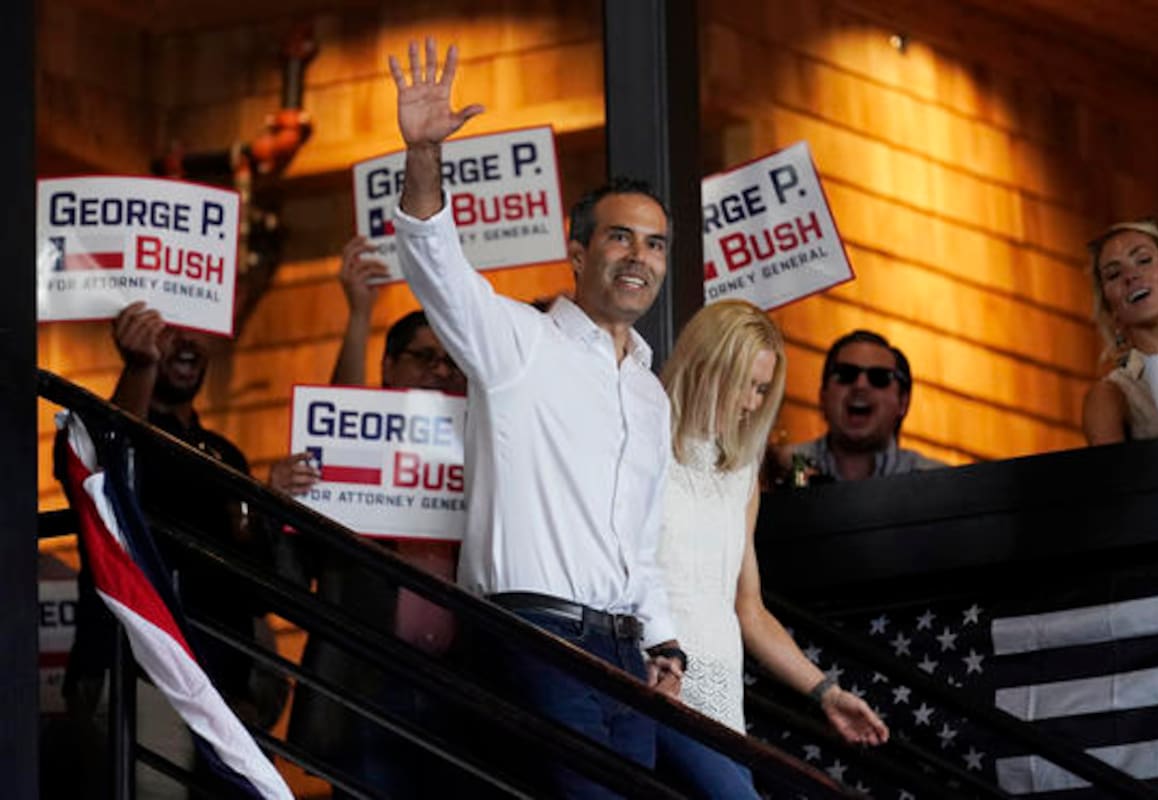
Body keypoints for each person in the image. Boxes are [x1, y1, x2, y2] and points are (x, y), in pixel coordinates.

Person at [387, 38, 684, 797]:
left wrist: (665, 644)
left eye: (654, 244)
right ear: (576, 252)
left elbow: (641, 540)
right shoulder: (521, 342)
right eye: (620, 236)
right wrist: (423, 154)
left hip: (627, 655)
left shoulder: (651, 392)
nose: (638, 257)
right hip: (534, 637)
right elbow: (436, 263)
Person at [656, 301, 889, 798]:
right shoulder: (644, 441)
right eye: (744, 382)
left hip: (720, 695)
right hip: (654, 680)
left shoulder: (740, 473)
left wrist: (826, 692)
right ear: (706, 363)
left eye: (762, 389)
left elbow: (750, 610)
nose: (751, 402)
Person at [56, 301, 280, 798]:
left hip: (222, 687)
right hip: (136, 677)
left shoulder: (226, 454)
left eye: (198, 325)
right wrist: (140, 366)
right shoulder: (91, 427)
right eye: (169, 324)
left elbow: (255, 586)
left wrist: (266, 510)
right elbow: (108, 468)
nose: (185, 340)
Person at [272, 236, 469, 797]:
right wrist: (359, 312)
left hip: (464, 686)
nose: (438, 370)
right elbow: (337, 420)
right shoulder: (361, 451)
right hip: (369, 684)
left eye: (451, 361)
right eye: (423, 356)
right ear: (389, 366)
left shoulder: (481, 446)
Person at [770, 329, 943, 486]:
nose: (860, 385)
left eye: (879, 378)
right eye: (846, 374)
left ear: (903, 403)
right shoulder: (780, 468)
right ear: (823, 395)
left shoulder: (936, 481)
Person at [1082, 218, 1158, 443]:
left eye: (1144, 260)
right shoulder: (1111, 395)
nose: (1131, 276)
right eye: (1114, 274)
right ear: (1109, 307)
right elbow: (1115, 476)